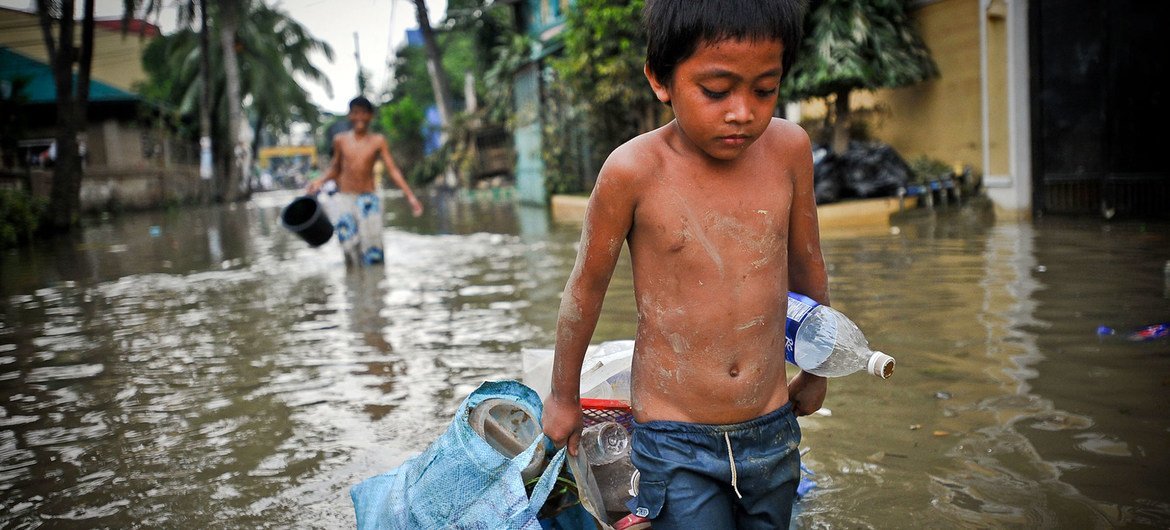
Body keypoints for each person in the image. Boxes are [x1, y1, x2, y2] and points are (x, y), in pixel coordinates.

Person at [540, 1, 827, 528]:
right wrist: (563, 397)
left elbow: (807, 268)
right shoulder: (633, 171)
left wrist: (816, 367)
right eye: (716, 92)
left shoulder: (789, 149)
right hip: (675, 435)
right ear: (660, 79)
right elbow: (585, 290)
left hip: (771, 425)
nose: (742, 111)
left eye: (765, 89)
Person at [307, 96, 424, 266]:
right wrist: (320, 181)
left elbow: (392, 170)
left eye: (363, 113)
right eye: (355, 113)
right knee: (348, 245)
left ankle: (376, 287)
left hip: (368, 199)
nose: (359, 117)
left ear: (370, 116)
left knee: (372, 247)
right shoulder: (340, 140)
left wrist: (410, 196)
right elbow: (335, 168)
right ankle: (354, 286)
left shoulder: (378, 141)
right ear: (350, 116)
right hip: (346, 198)